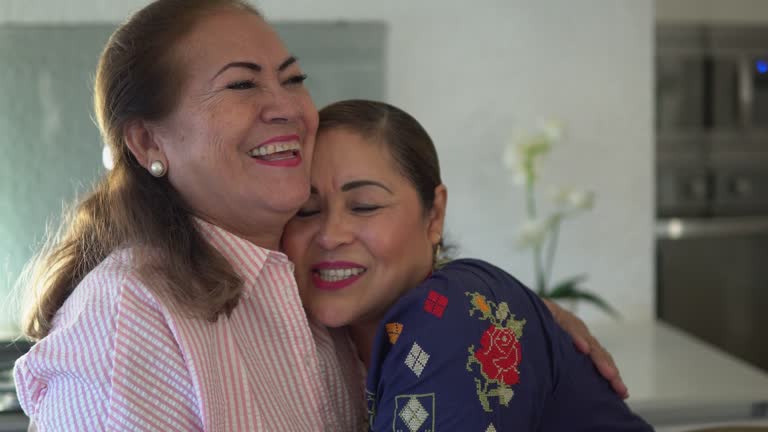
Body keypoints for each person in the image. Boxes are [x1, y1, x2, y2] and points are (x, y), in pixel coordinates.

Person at [13, 1, 624, 430]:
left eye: (293, 79)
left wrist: (517, 316)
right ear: (148, 144)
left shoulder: (310, 291)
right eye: (241, 86)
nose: (285, 107)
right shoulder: (129, 320)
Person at [282, 99, 652, 430]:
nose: (330, 235)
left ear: (435, 214)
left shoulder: (447, 316)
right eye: (306, 211)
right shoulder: (319, 336)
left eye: (364, 206)